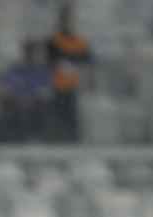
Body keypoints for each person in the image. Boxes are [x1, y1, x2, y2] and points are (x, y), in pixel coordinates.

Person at [47, 5, 92, 143]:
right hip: (57, 86)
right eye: (65, 20)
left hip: (73, 87)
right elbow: (52, 60)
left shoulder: (80, 42)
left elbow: (87, 60)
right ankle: (57, 141)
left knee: (72, 118)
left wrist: (69, 58)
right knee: (58, 117)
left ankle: (73, 141)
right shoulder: (55, 41)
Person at [0, 40, 52, 144]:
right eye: (27, 51)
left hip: (35, 103)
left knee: (41, 107)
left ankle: (37, 137)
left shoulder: (41, 70)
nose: (29, 55)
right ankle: (10, 138)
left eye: (31, 52)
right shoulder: (14, 69)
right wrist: (15, 96)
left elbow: (45, 89)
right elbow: (5, 85)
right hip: (16, 101)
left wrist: (32, 97)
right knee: (6, 108)